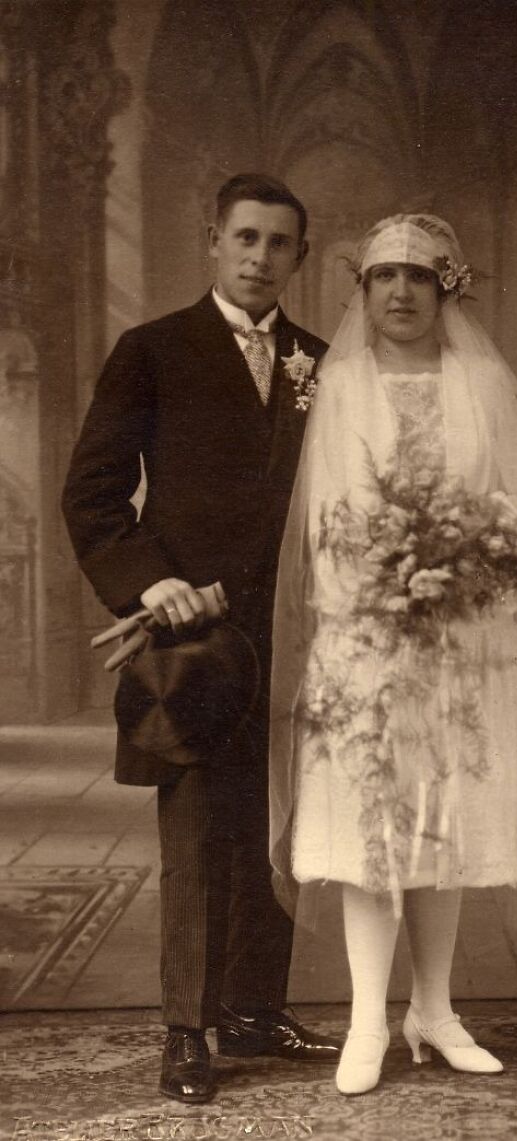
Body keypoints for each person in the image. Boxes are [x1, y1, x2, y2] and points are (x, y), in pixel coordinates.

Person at [269, 214, 517, 1095]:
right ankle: (366, 1021)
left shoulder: (480, 382)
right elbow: (322, 520)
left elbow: (513, 507)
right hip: (367, 635)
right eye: (383, 278)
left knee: (443, 826)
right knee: (370, 828)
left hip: (465, 636)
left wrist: (469, 568)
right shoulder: (339, 385)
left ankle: (436, 1008)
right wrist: (378, 585)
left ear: (446, 289)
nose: (401, 293)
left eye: (419, 277)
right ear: (363, 292)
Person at [62, 173, 340, 1105]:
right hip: (189, 641)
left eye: (279, 243)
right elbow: (93, 494)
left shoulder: (323, 362)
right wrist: (154, 582)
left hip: (297, 635)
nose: (260, 257)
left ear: (300, 256)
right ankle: (189, 1024)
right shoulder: (153, 351)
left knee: (276, 826)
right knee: (194, 829)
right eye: (246, 237)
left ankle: (256, 1006)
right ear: (212, 240)